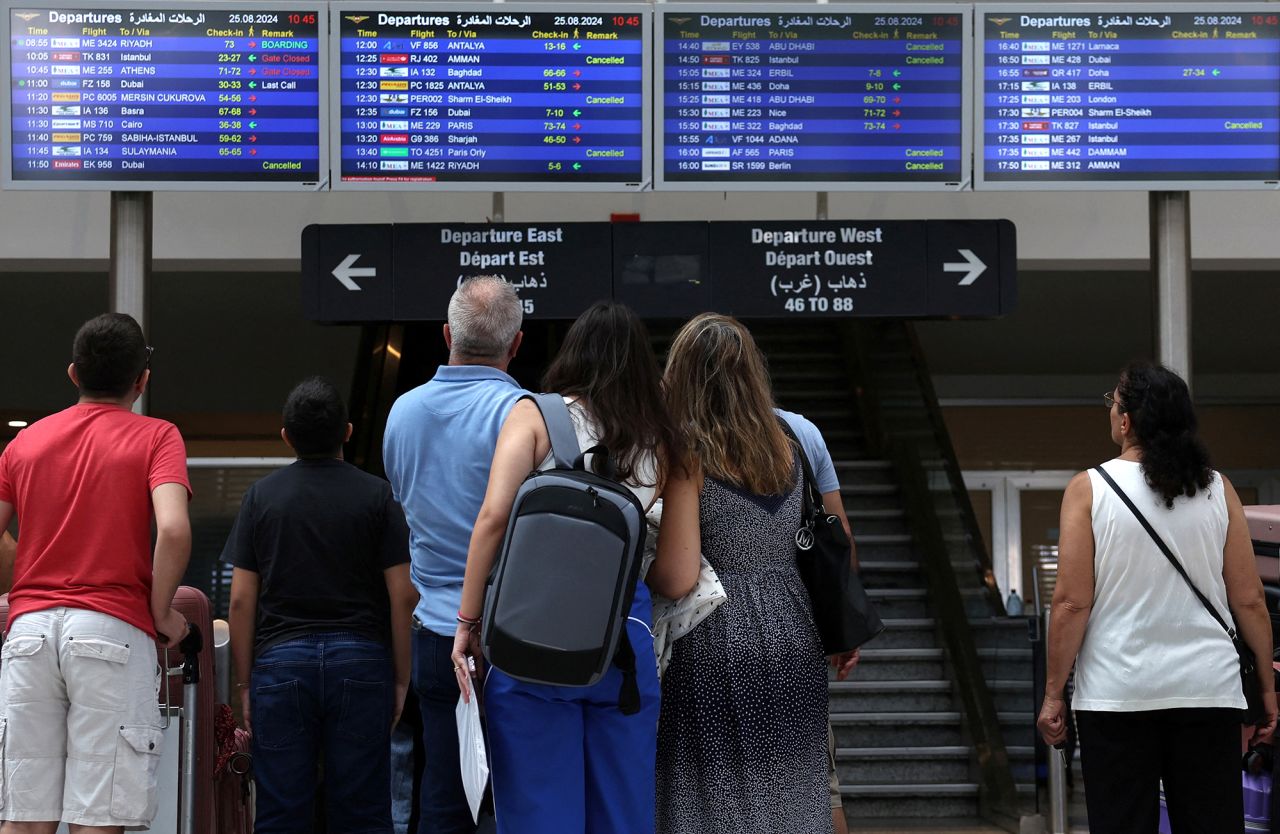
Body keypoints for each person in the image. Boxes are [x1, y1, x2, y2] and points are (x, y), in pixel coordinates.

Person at [450, 301, 683, 834]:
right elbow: (676, 572)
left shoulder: (534, 415)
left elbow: (492, 519)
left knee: (537, 814)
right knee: (622, 815)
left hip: (530, 635)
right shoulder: (667, 440)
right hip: (624, 642)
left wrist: (467, 624)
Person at [1037, 361, 1277, 834]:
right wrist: (1268, 691)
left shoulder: (1089, 490)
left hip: (1116, 695)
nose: (1110, 412)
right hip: (1208, 693)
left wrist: (1052, 695)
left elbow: (1070, 603)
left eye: (1113, 402)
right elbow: (1249, 600)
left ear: (1125, 421)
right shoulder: (1217, 489)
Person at [653, 313, 858, 834]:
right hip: (795, 631)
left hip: (712, 638)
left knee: (712, 796)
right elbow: (841, 538)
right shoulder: (791, 443)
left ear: (682, 374)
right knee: (793, 790)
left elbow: (678, 577)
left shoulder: (687, 453)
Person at [0, 312, 192, 832]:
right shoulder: (157, 437)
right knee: (97, 818)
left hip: (29, 635)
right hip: (111, 632)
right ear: (142, 380)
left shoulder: (25, 443)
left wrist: (23, 582)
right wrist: (160, 614)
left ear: (72, 374)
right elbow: (172, 530)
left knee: (24, 818)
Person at [224, 377, 417, 834]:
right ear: (347, 432)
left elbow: (239, 601)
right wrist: (401, 678)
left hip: (280, 664)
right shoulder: (378, 496)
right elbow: (403, 595)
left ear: (286, 436)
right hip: (362, 662)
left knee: (281, 812)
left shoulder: (260, 498)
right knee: (364, 812)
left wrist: (246, 684)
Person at [383, 276, 527, 834]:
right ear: (516, 345)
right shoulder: (522, 415)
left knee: (443, 790)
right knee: (514, 793)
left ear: (447, 334)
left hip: (434, 630)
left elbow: (404, 503)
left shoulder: (402, 413)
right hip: (513, 631)